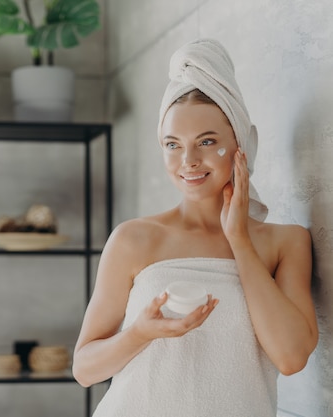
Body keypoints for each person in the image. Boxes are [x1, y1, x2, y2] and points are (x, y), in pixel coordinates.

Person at [72, 38, 318, 417]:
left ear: (241, 145)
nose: (188, 161)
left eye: (207, 141)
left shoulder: (285, 243)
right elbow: (85, 369)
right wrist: (139, 333)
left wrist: (239, 240)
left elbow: (291, 357)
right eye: (173, 144)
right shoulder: (134, 239)